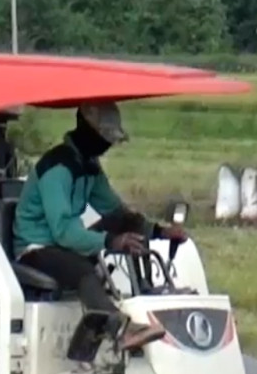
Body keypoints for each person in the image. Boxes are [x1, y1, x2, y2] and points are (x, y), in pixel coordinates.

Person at [11, 102, 185, 352]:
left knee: (127, 220)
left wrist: (160, 231)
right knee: (82, 269)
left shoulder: (87, 165)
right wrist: (110, 241)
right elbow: (62, 231)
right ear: (86, 128)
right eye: (104, 137)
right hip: (37, 249)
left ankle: (146, 291)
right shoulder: (58, 168)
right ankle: (119, 329)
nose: (108, 144)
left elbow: (115, 210)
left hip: (63, 244)